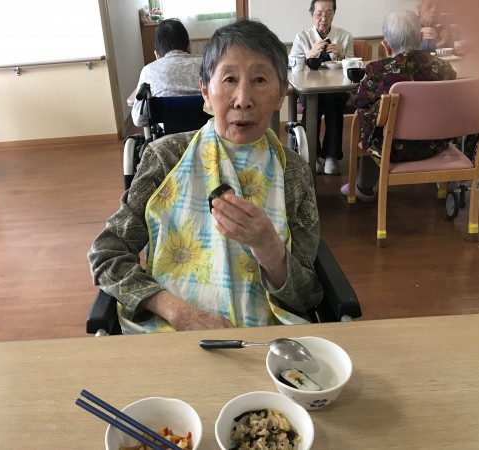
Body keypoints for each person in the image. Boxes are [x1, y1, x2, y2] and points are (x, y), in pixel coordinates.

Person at [89, 19, 323, 334]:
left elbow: (307, 295)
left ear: (282, 92)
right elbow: (107, 252)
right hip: (170, 334)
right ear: (205, 92)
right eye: (229, 79)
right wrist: (178, 312)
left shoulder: (292, 172)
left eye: (259, 79)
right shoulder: (165, 158)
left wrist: (268, 245)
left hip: (265, 342)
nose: (243, 99)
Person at [341, 9, 457, 201]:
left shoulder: (379, 71)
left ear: (385, 46)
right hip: (435, 144)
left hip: (392, 150)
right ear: (420, 38)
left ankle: (364, 187)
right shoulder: (443, 68)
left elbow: (358, 100)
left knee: (369, 113)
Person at [290, 0, 354, 175]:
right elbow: (291, 66)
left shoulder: (345, 36)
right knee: (313, 101)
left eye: (328, 13)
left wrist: (343, 55)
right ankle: (312, 155)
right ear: (312, 15)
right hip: (310, 88)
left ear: (334, 13)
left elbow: (353, 66)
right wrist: (308, 54)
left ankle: (332, 156)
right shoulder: (302, 37)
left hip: (336, 89)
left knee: (334, 99)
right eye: (319, 14)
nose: (324, 19)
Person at [131, 18, 202, 128]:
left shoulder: (148, 70)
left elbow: (139, 119)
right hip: (208, 134)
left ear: (157, 55)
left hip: (169, 136)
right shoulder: (207, 63)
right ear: (189, 45)